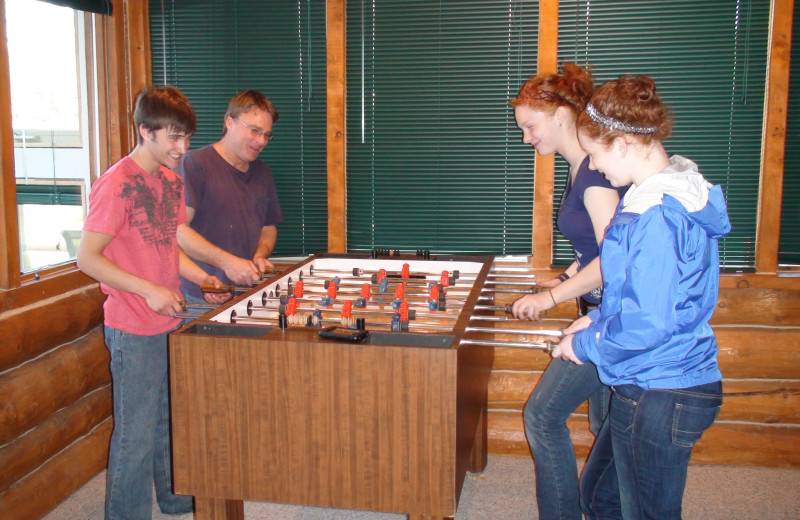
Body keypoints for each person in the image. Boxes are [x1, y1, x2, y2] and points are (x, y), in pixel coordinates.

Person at [554, 75, 730, 519]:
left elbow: (648, 324)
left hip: (664, 389)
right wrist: (593, 322)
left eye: (595, 155)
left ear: (625, 144)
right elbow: (638, 295)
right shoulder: (652, 201)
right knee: (600, 498)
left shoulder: (658, 217)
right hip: (646, 381)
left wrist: (584, 345)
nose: (593, 168)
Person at [77, 86, 226, 519]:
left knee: (169, 417)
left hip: (168, 317)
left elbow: (166, 242)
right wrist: (148, 289)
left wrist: (201, 277)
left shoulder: (170, 181)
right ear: (145, 131)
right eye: (173, 138)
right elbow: (88, 258)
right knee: (136, 432)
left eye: (186, 138)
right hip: (131, 325)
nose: (183, 149)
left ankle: (175, 497)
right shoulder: (116, 184)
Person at [508, 64, 625, 520]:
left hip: (611, 320)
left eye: (529, 127)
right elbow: (597, 247)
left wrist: (551, 299)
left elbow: (616, 261)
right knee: (606, 425)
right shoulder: (582, 171)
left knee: (542, 415)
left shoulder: (595, 179)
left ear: (560, 115)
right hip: (599, 312)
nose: (526, 138)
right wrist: (561, 280)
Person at [177, 89, 283, 303]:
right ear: (229, 123)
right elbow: (179, 230)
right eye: (254, 130)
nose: (261, 141)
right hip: (200, 295)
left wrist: (260, 255)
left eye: (266, 135)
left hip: (245, 293)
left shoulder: (263, 173)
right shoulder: (194, 164)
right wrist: (227, 263)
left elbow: (268, 227)